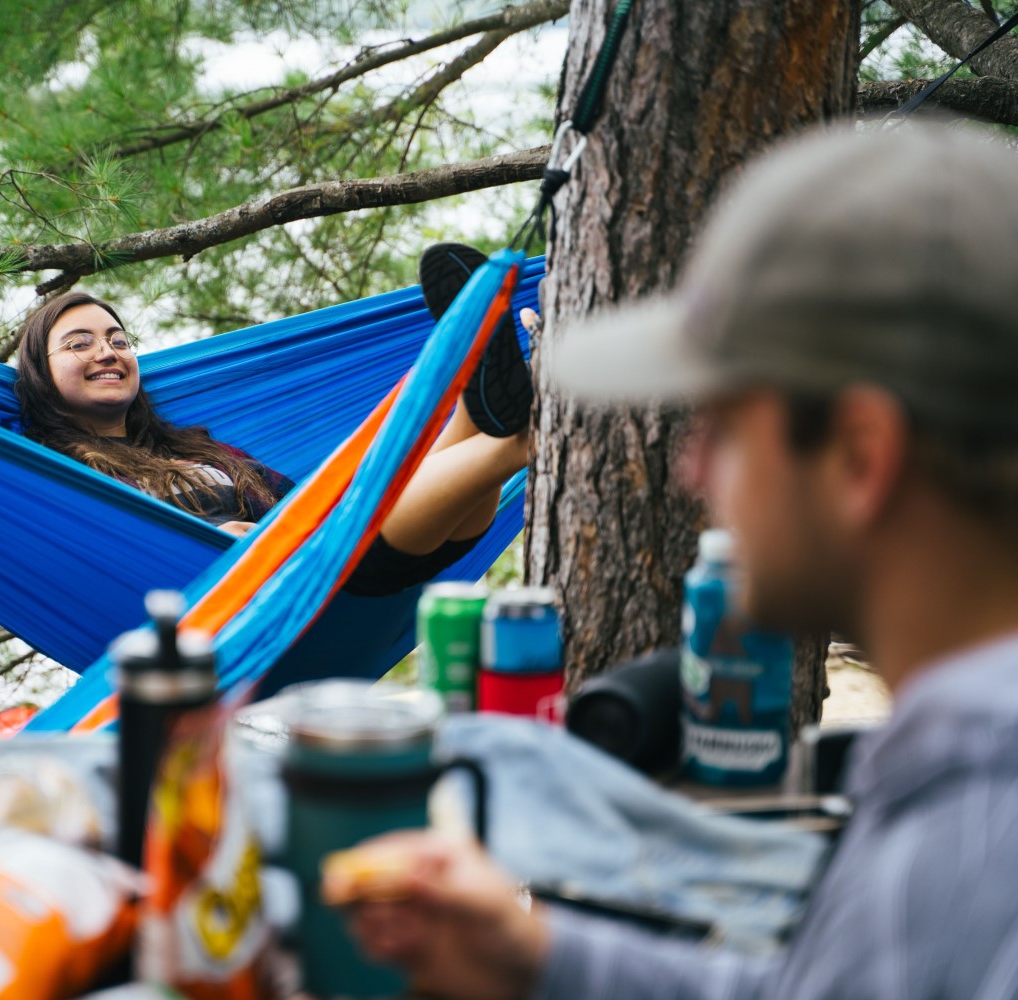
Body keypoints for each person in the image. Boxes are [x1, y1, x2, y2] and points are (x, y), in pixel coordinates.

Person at [323, 125, 1018, 998]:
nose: (691, 469)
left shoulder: (985, 831)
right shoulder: (960, 765)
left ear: (858, 458)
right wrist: (539, 960)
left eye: (722, 425)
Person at [10, 244, 538, 597]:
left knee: (398, 488)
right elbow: (116, 554)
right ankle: (520, 415)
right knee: (500, 450)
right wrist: (213, 538)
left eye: (119, 340)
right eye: (80, 344)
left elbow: (306, 505)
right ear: (39, 374)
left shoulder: (193, 447)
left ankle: (483, 379)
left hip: (352, 545)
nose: (107, 352)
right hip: (299, 585)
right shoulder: (55, 475)